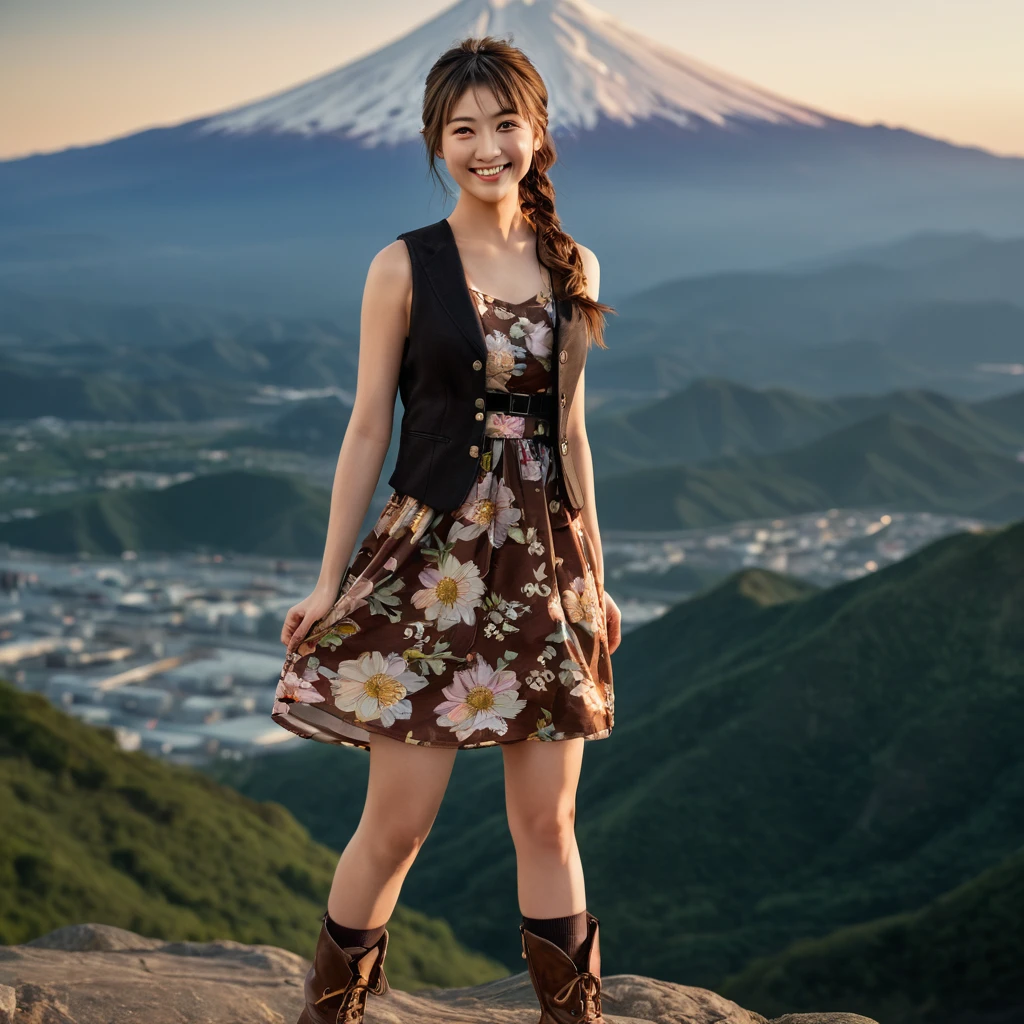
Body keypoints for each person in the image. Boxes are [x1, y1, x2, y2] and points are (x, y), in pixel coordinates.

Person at [274, 35, 621, 1024]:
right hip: (428, 569)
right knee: (398, 825)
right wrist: (327, 579)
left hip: (545, 565)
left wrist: (598, 572)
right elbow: (365, 428)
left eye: (504, 124)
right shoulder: (402, 266)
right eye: (462, 129)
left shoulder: (573, 263)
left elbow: (573, 434)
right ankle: (329, 1012)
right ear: (435, 140)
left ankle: (572, 1017)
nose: (486, 147)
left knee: (547, 821)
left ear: (538, 131)